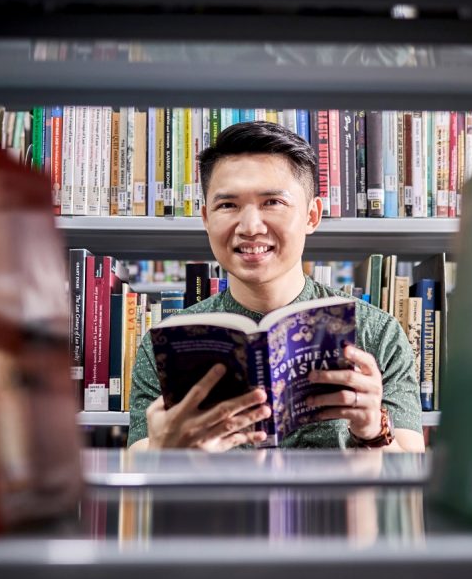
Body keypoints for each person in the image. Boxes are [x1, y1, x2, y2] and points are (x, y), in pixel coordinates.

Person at [127, 121, 425, 452]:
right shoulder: (166, 345)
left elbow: (410, 474)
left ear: (312, 216)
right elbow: (139, 476)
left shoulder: (377, 332)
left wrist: (371, 428)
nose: (250, 227)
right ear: (206, 219)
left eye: (272, 202)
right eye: (228, 205)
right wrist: (166, 451)